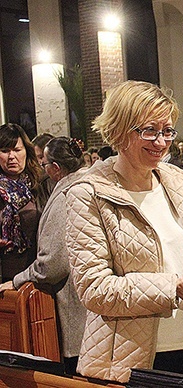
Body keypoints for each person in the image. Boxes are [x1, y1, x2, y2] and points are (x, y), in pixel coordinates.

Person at [65, 80, 183, 383]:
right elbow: (94, 288)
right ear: (118, 131)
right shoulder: (89, 192)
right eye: (149, 131)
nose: (161, 142)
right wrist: (173, 287)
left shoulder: (180, 181)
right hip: (130, 361)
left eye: (167, 131)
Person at [0, 137, 87, 375]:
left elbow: (53, 264)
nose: (43, 169)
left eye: (44, 162)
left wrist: (19, 280)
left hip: (69, 304)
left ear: (56, 168)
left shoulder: (65, 194)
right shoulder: (89, 184)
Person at [0, 123, 42, 282]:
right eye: (5, 151)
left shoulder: (41, 183)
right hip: (4, 276)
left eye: (17, 150)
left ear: (26, 151)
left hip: (38, 274)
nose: (11, 156)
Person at [31, 133, 56, 210]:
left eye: (42, 157)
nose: (40, 162)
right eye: (37, 157)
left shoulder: (52, 181)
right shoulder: (33, 180)